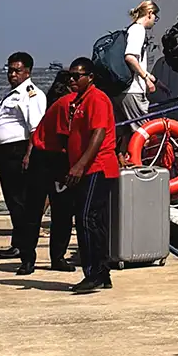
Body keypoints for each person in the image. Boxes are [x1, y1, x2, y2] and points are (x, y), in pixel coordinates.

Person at [16, 70, 79, 274]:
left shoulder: (54, 101)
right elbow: (65, 136)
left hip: (44, 156)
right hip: (53, 156)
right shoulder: (66, 103)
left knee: (36, 211)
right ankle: (54, 257)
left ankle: (30, 259)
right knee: (59, 211)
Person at [64, 59, 119, 294]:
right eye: (71, 76)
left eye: (78, 76)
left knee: (86, 218)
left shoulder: (96, 99)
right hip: (86, 168)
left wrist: (80, 165)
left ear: (90, 77)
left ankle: (93, 272)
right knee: (94, 219)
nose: (73, 80)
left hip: (98, 166)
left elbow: (99, 133)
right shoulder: (79, 101)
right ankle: (102, 272)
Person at [0, 53, 45, 260]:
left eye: (17, 70)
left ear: (28, 72)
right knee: (12, 201)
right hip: (4, 153)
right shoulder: (12, 93)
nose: (12, 74)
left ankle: (24, 245)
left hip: (18, 151)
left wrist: (29, 155)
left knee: (20, 201)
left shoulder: (31, 94)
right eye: (10, 70)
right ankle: (18, 242)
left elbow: (35, 129)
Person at [119, 0, 159, 151]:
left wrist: (151, 77)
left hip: (123, 90)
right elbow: (130, 57)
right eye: (155, 16)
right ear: (149, 13)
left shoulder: (129, 29)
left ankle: (125, 165)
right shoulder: (138, 30)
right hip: (133, 90)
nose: (155, 20)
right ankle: (141, 169)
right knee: (143, 133)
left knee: (126, 133)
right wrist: (145, 78)